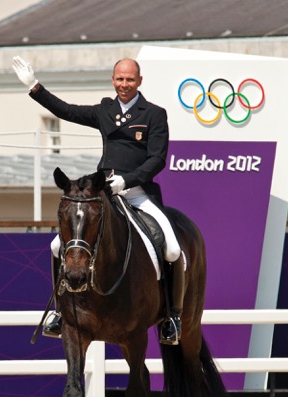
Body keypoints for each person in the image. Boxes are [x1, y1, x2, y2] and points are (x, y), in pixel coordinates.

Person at [12, 56, 184, 345]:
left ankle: (172, 317)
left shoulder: (154, 114)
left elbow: (158, 159)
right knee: (57, 245)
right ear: (113, 80)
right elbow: (66, 111)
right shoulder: (106, 111)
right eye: (119, 79)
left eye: (130, 79)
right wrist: (35, 87)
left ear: (139, 81)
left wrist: (127, 180)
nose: (124, 84)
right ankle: (59, 312)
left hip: (137, 192)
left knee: (172, 249)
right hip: (103, 193)